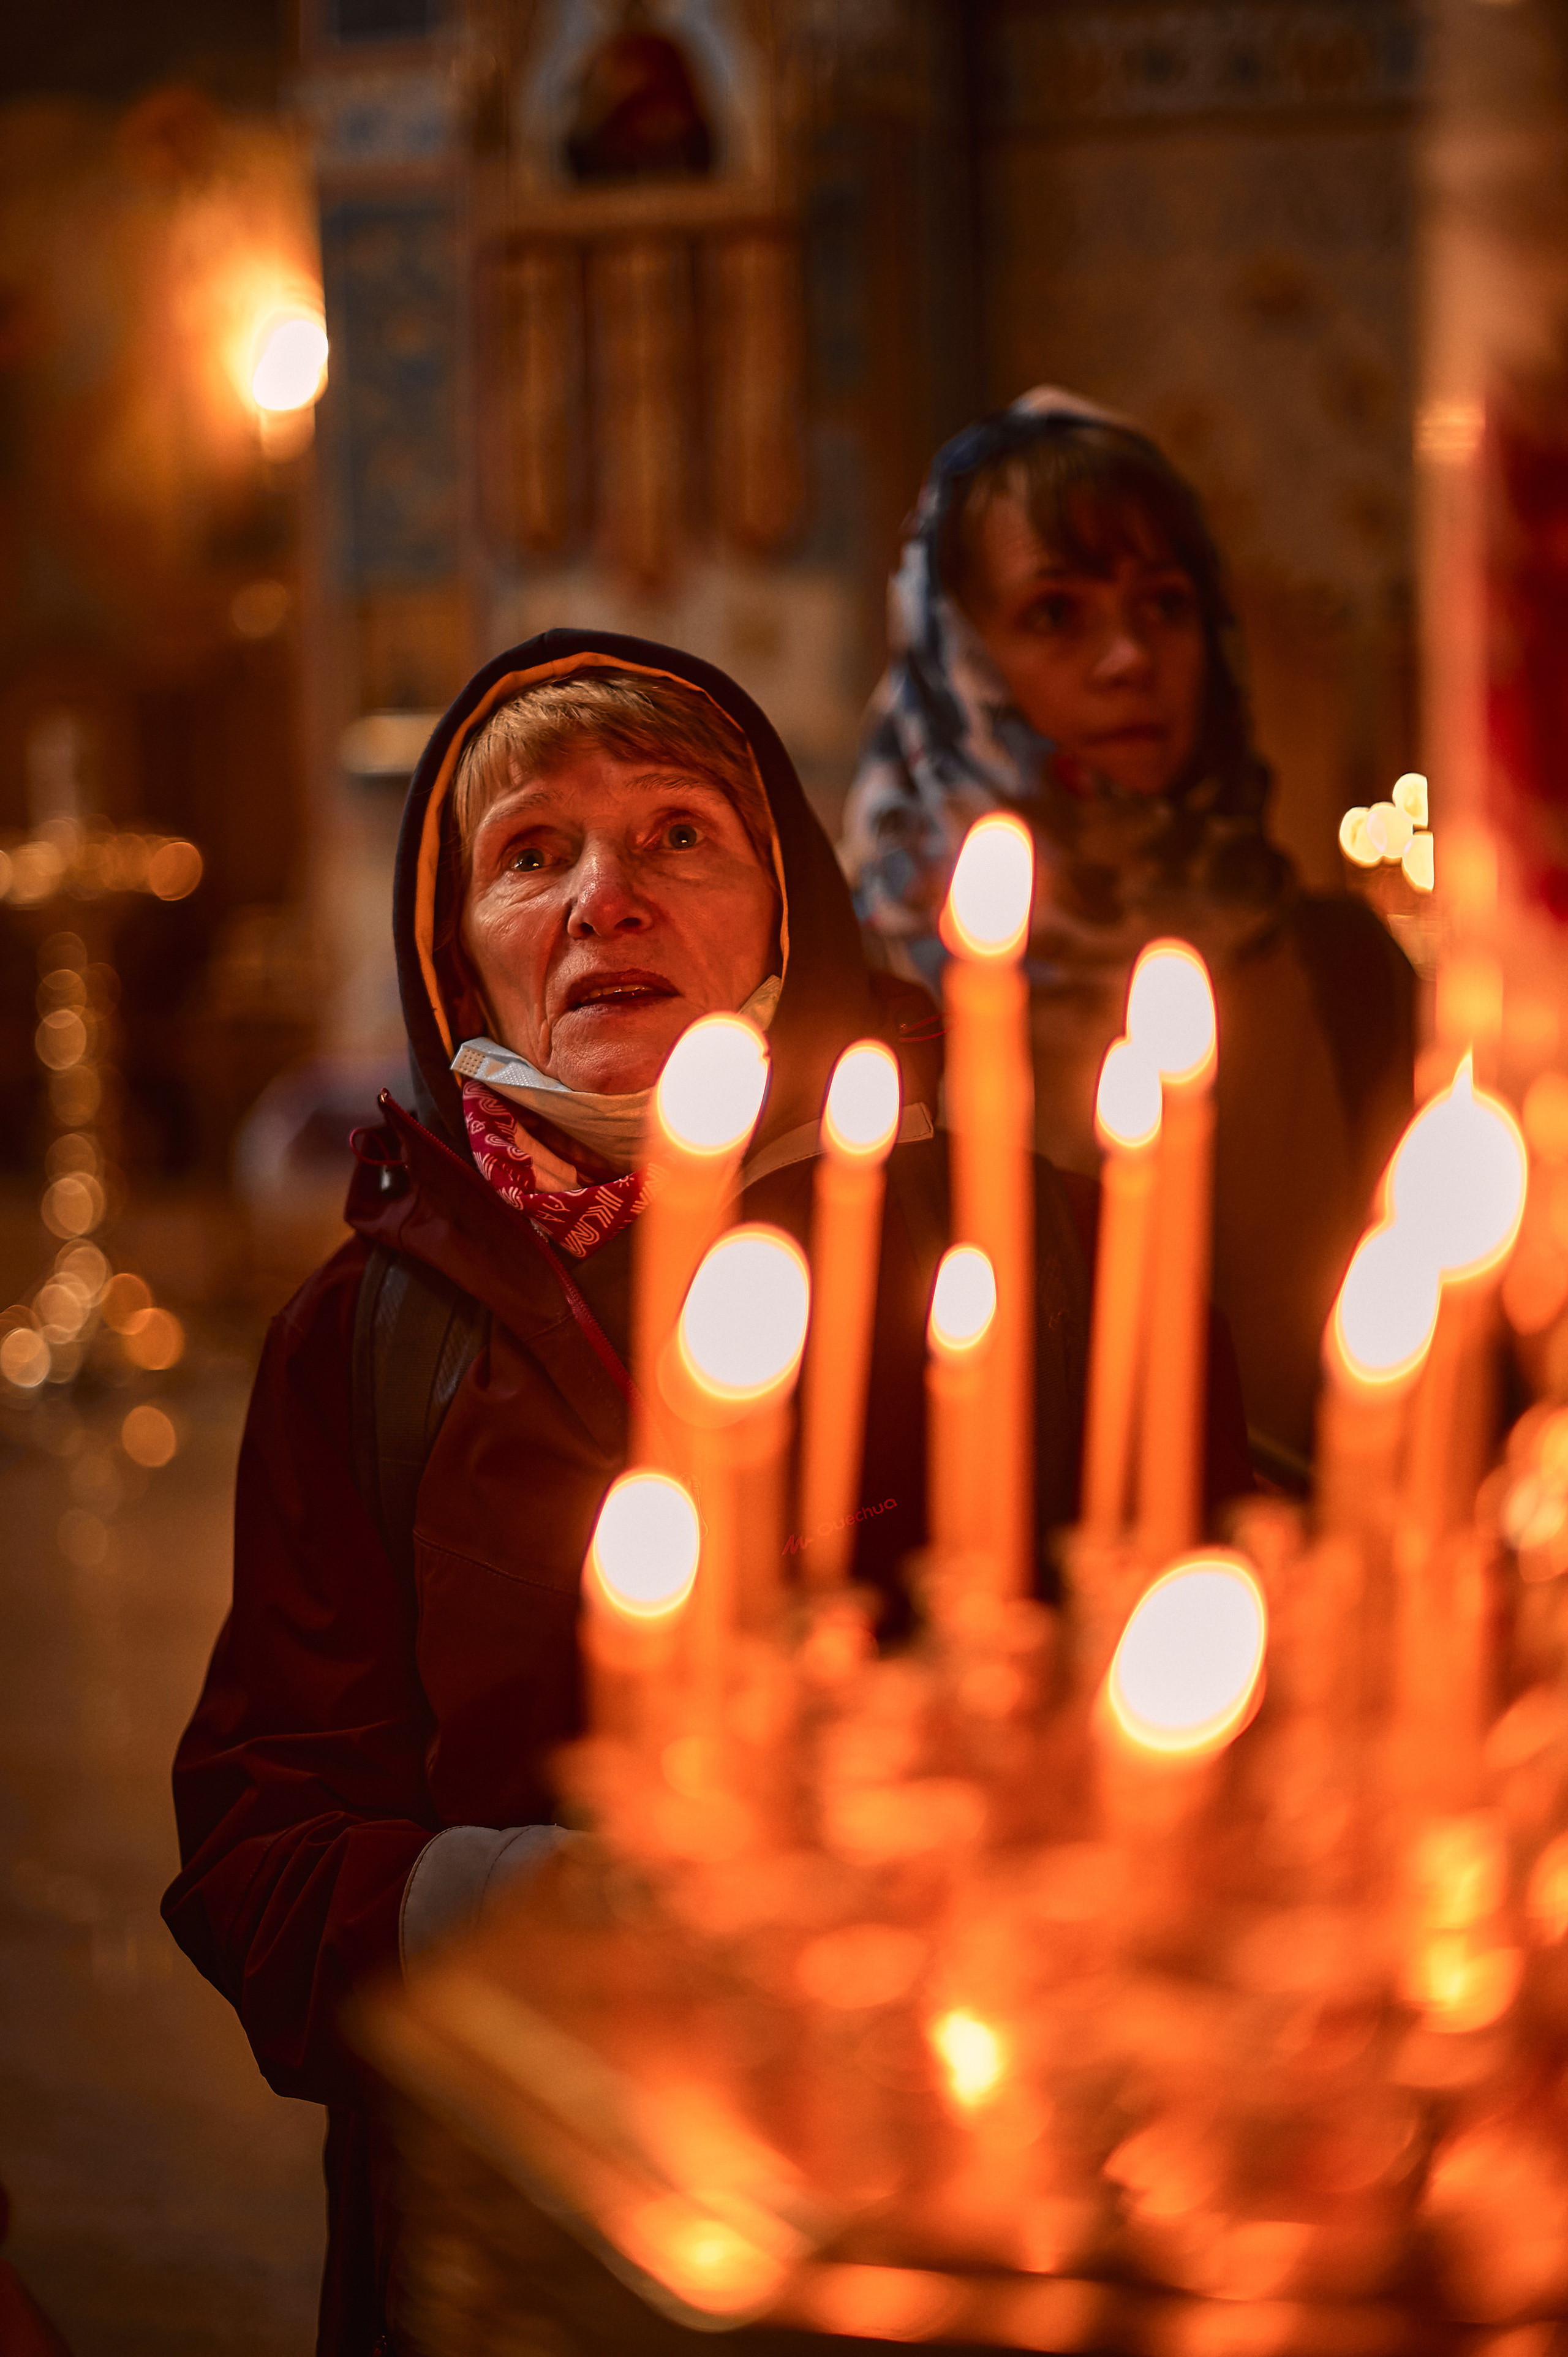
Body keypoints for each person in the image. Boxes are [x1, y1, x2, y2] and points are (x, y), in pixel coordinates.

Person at [161, 629, 1249, 2356]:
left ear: (786, 909)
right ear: (460, 963)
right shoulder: (357, 1342)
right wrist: (551, 1907)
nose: (606, 898)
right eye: (533, 854)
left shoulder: (1039, 1260)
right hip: (511, 2236)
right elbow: (260, 1848)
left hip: (951, 2218)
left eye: (678, 833)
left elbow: (1225, 1737)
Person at [840, 388, 1416, 1474]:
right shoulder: (857, 981)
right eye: (1055, 614)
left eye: (1164, 606)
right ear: (956, 653)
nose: (1129, 659)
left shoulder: (1344, 973)